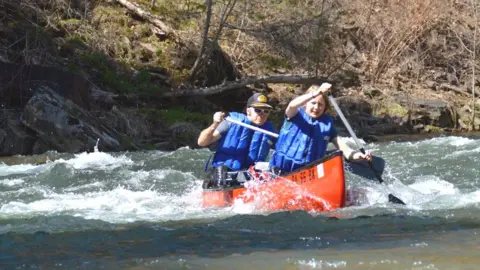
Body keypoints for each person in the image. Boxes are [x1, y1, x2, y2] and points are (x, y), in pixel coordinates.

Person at [269, 83, 371, 173]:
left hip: (309, 173)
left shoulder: (327, 126)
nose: (316, 107)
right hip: (281, 171)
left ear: (325, 107)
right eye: (313, 103)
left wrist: (358, 156)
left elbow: (345, 150)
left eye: (320, 104)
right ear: (305, 103)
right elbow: (292, 105)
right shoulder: (293, 115)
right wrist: (317, 92)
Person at [198, 93, 276, 174]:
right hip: (224, 172)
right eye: (258, 110)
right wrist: (214, 124)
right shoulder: (231, 122)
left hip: (252, 175)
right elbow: (201, 142)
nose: (262, 114)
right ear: (248, 111)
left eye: (266, 111)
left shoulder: (269, 131)